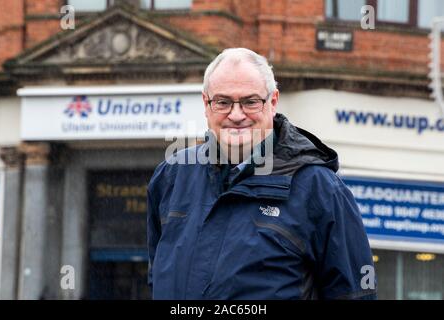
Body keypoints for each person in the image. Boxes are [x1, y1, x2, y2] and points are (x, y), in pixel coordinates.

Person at [147, 48, 377, 300]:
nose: (236, 115)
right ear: (206, 104)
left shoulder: (320, 189)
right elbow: (157, 276)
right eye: (222, 102)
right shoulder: (171, 176)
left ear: (273, 102)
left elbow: (355, 293)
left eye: (250, 101)